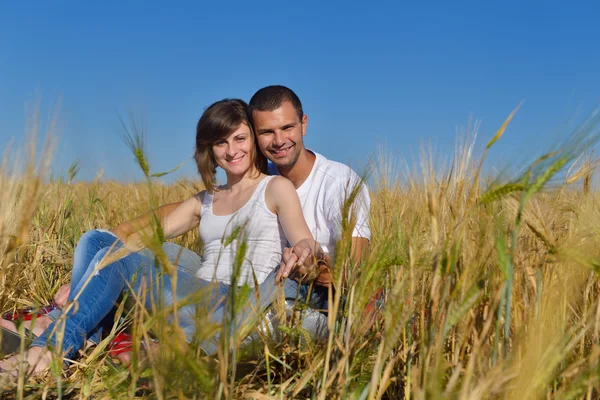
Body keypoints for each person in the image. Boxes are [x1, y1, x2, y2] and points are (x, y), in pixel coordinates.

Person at [0, 98, 324, 374]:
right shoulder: (206, 199)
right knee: (96, 241)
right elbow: (144, 237)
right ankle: (80, 324)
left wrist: (304, 252)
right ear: (209, 150)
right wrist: (88, 275)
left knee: (117, 263)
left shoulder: (274, 187)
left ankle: (50, 349)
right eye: (220, 143)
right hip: (193, 293)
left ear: (253, 140)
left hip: (234, 300)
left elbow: (303, 238)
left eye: (239, 138)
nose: (231, 150)